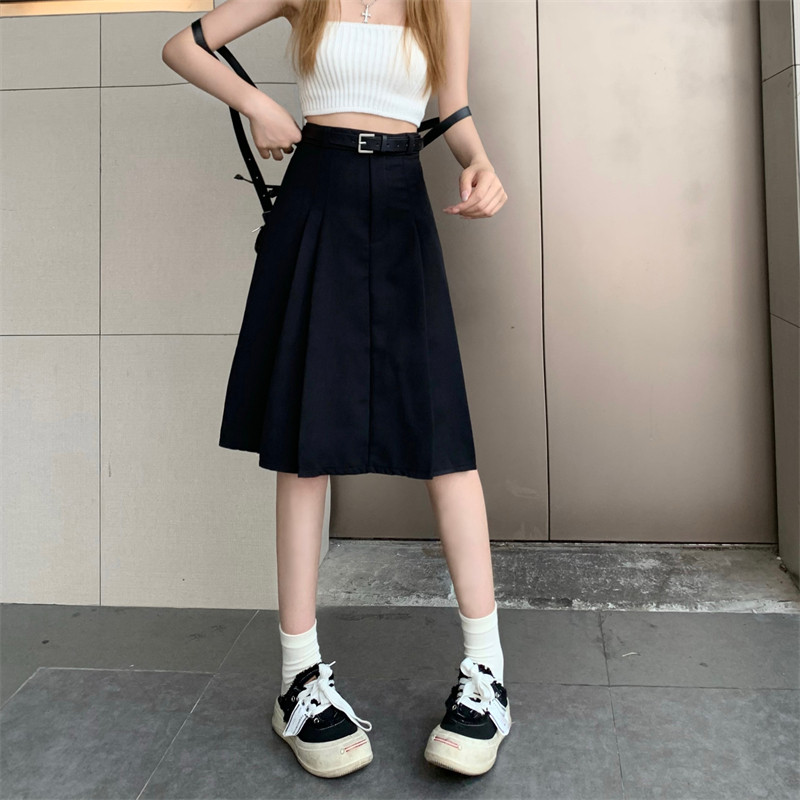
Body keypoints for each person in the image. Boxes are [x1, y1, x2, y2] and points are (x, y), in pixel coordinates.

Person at [162, 0, 510, 780]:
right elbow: (183, 46)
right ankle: (298, 680)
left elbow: (452, 103)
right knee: (306, 442)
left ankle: (487, 675)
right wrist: (256, 103)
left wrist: (478, 159)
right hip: (316, 198)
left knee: (443, 438)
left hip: (402, 197)